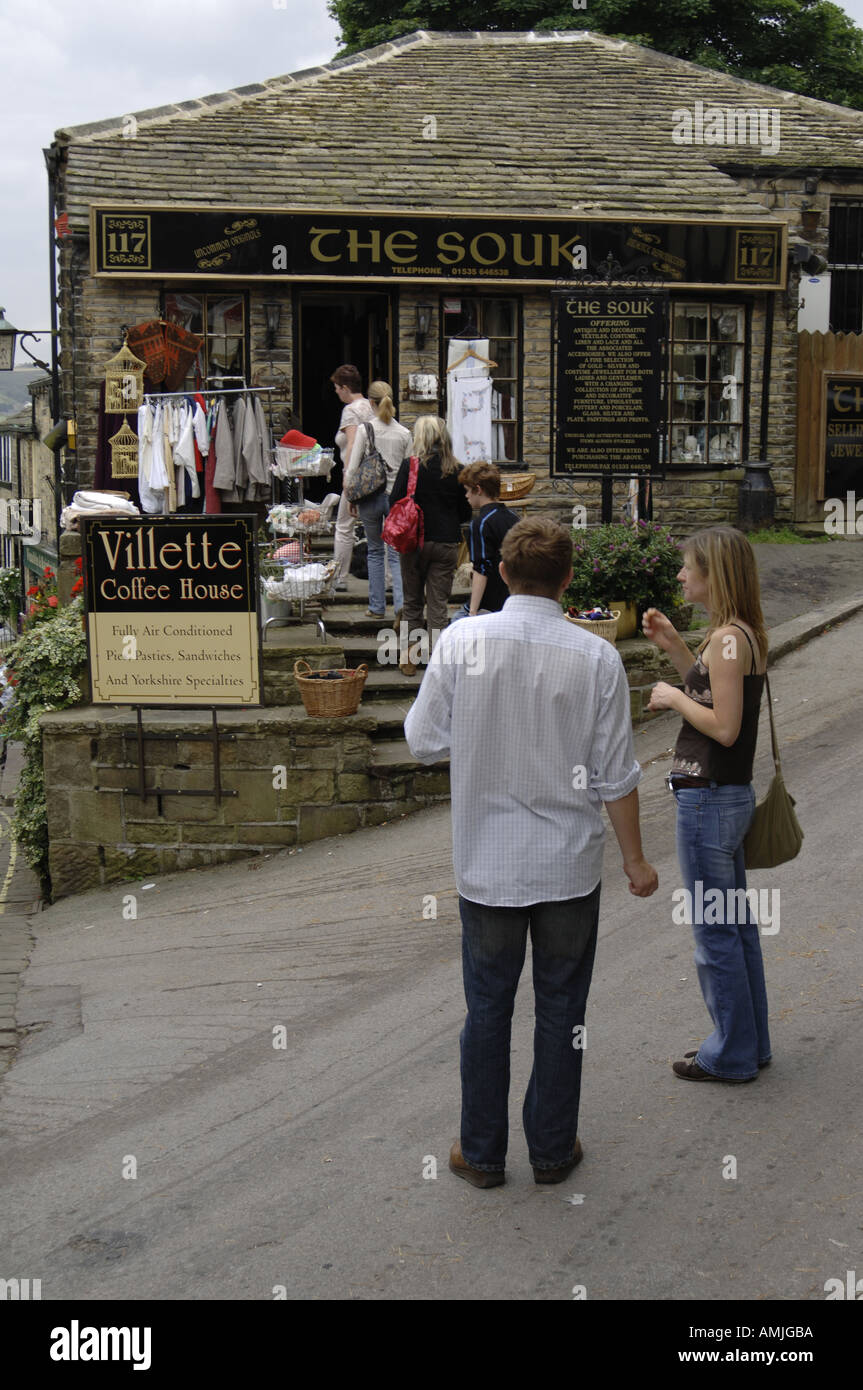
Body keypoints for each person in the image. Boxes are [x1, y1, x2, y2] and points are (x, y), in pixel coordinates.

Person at [404, 516, 658, 1189]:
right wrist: (634, 861)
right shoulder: (595, 656)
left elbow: (423, 740)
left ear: (506, 573)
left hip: (487, 864)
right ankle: (550, 1148)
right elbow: (616, 774)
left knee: (486, 1008)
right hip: (567, 865)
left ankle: (480, 1152)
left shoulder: (461, 642)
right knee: (561, 1007)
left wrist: (484, 740)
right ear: (568, 579)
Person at [644, 524, 770, 1083]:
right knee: (735, 927)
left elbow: (722, 726)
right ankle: (749, 1044)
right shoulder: (734, 633)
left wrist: (671, 697)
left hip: (709, 799)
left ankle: (732, 1054)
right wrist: (674, 646)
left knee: (715, 933)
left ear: (712, 573)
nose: (679, 574)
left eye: (687, 565)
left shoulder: (727, 639)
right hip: (726, 796)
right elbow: (710, 695)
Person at [388, 416, 471, 677]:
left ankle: (409, 660)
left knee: (412, 602)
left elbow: (394, 502)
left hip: (413, 542)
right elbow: (465, 511)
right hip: (445, 542)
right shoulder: (458, 470)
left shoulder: (410, 466)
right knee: (438, 605)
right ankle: (437, 661)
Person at [343, 380, 409, 620]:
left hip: (370, 497)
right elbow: (409, 469)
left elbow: (353, 467)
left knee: (373, 551)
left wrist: (351, 495)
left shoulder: (365, 429)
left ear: (370, 402)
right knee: (396, 553)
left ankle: (377, 607)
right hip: (396, 500)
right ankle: (402, 606)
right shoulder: (404, 433)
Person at [455, 462, 520, 618]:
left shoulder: (481, 524)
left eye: (467, 491)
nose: (466, 496)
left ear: (478, 489)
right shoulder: (514, 518)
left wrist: (472, 611)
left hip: (488, 604)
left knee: (456, 621)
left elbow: (481, 569)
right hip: (511, 601)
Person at [330, 365, 373, 591]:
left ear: (345, 388)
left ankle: (340, 578)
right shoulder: (372, 406)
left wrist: (348, 476)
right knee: (376, 528)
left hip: (356, 475)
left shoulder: (351, 410)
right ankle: (385, 580)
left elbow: (354, 444)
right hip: (374, 477)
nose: (336, 392)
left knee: (344, 527)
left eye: (337, 388)